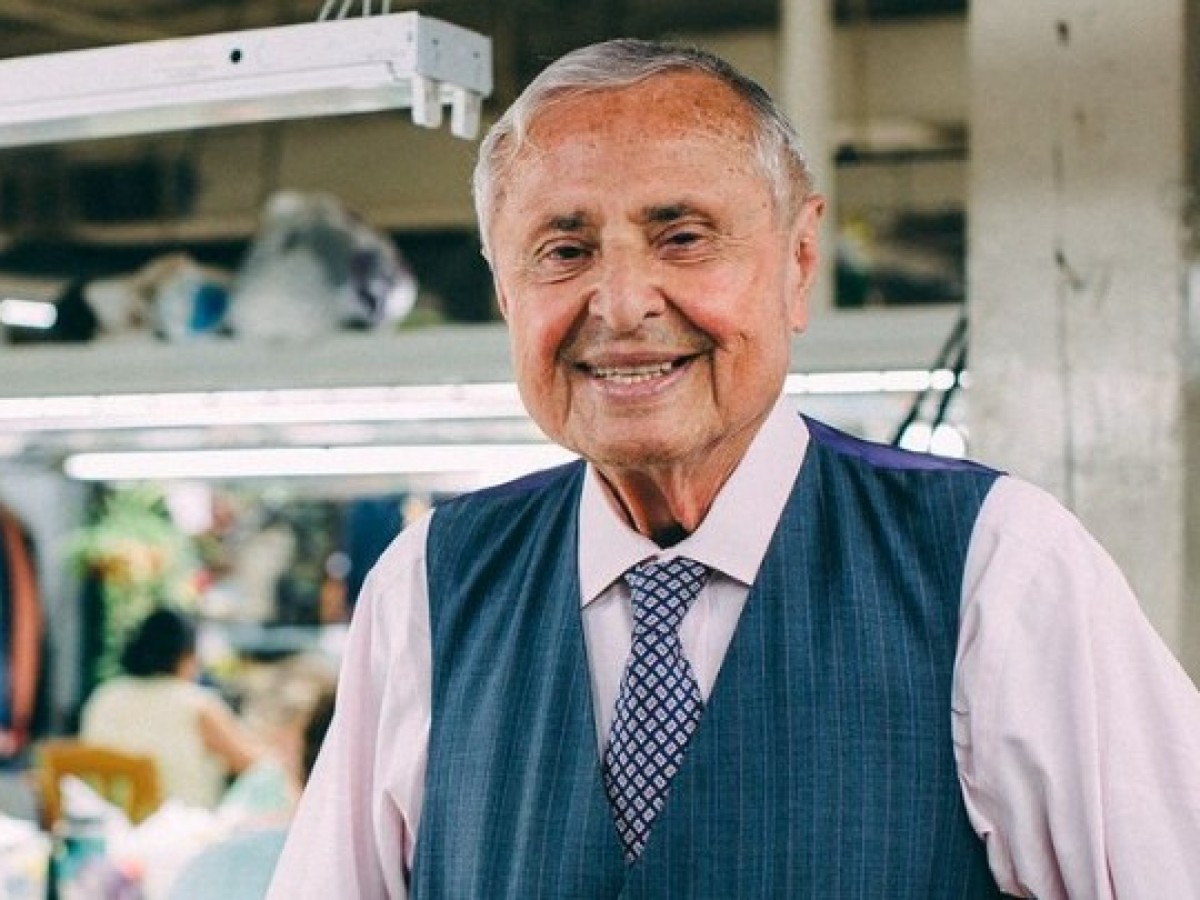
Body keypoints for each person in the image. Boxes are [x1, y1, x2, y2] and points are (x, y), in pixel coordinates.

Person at [267, 39, 1200, 899]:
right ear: (506, 290)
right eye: (564, 251)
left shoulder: (995, 568)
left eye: (682, 237)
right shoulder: (427, 591)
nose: (622, 304)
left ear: (799, 261)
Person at [80, 607, 267, 809]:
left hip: (109, 823)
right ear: (186, 656)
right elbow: (254, 765)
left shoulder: (105, 696)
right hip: (180, 824)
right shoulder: (195, 704)